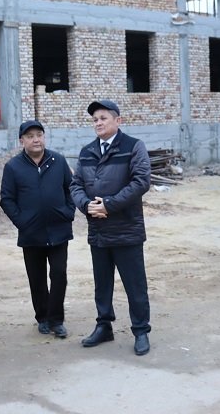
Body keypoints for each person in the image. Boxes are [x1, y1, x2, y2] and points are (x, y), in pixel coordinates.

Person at [69, 100, 152, 356]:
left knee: (135, 285)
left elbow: (141, 181)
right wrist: (87, 206)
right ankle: (104, 326)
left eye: (103, 118)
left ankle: (141, 331)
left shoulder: (133, 147)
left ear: (118, 120)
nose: (98, 123)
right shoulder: (87, 152)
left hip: (126, 229)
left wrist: (109, 205)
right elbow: (75, 185)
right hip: (98, 230)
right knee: (102, 284)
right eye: (95, 119)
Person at [0, 120, 75, 338]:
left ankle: (56, 320)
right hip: (31, 234)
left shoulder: (58, 161)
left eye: (39, 135)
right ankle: (42, 317)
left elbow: (71, 189)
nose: (36, 140)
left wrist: (68, 212)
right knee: (37, 278)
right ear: (21, 140)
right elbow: (7, 199)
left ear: (44, 137)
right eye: (30, 136)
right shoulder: (13, 167)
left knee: (59, 274)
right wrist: (22, 222)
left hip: (59, 230)